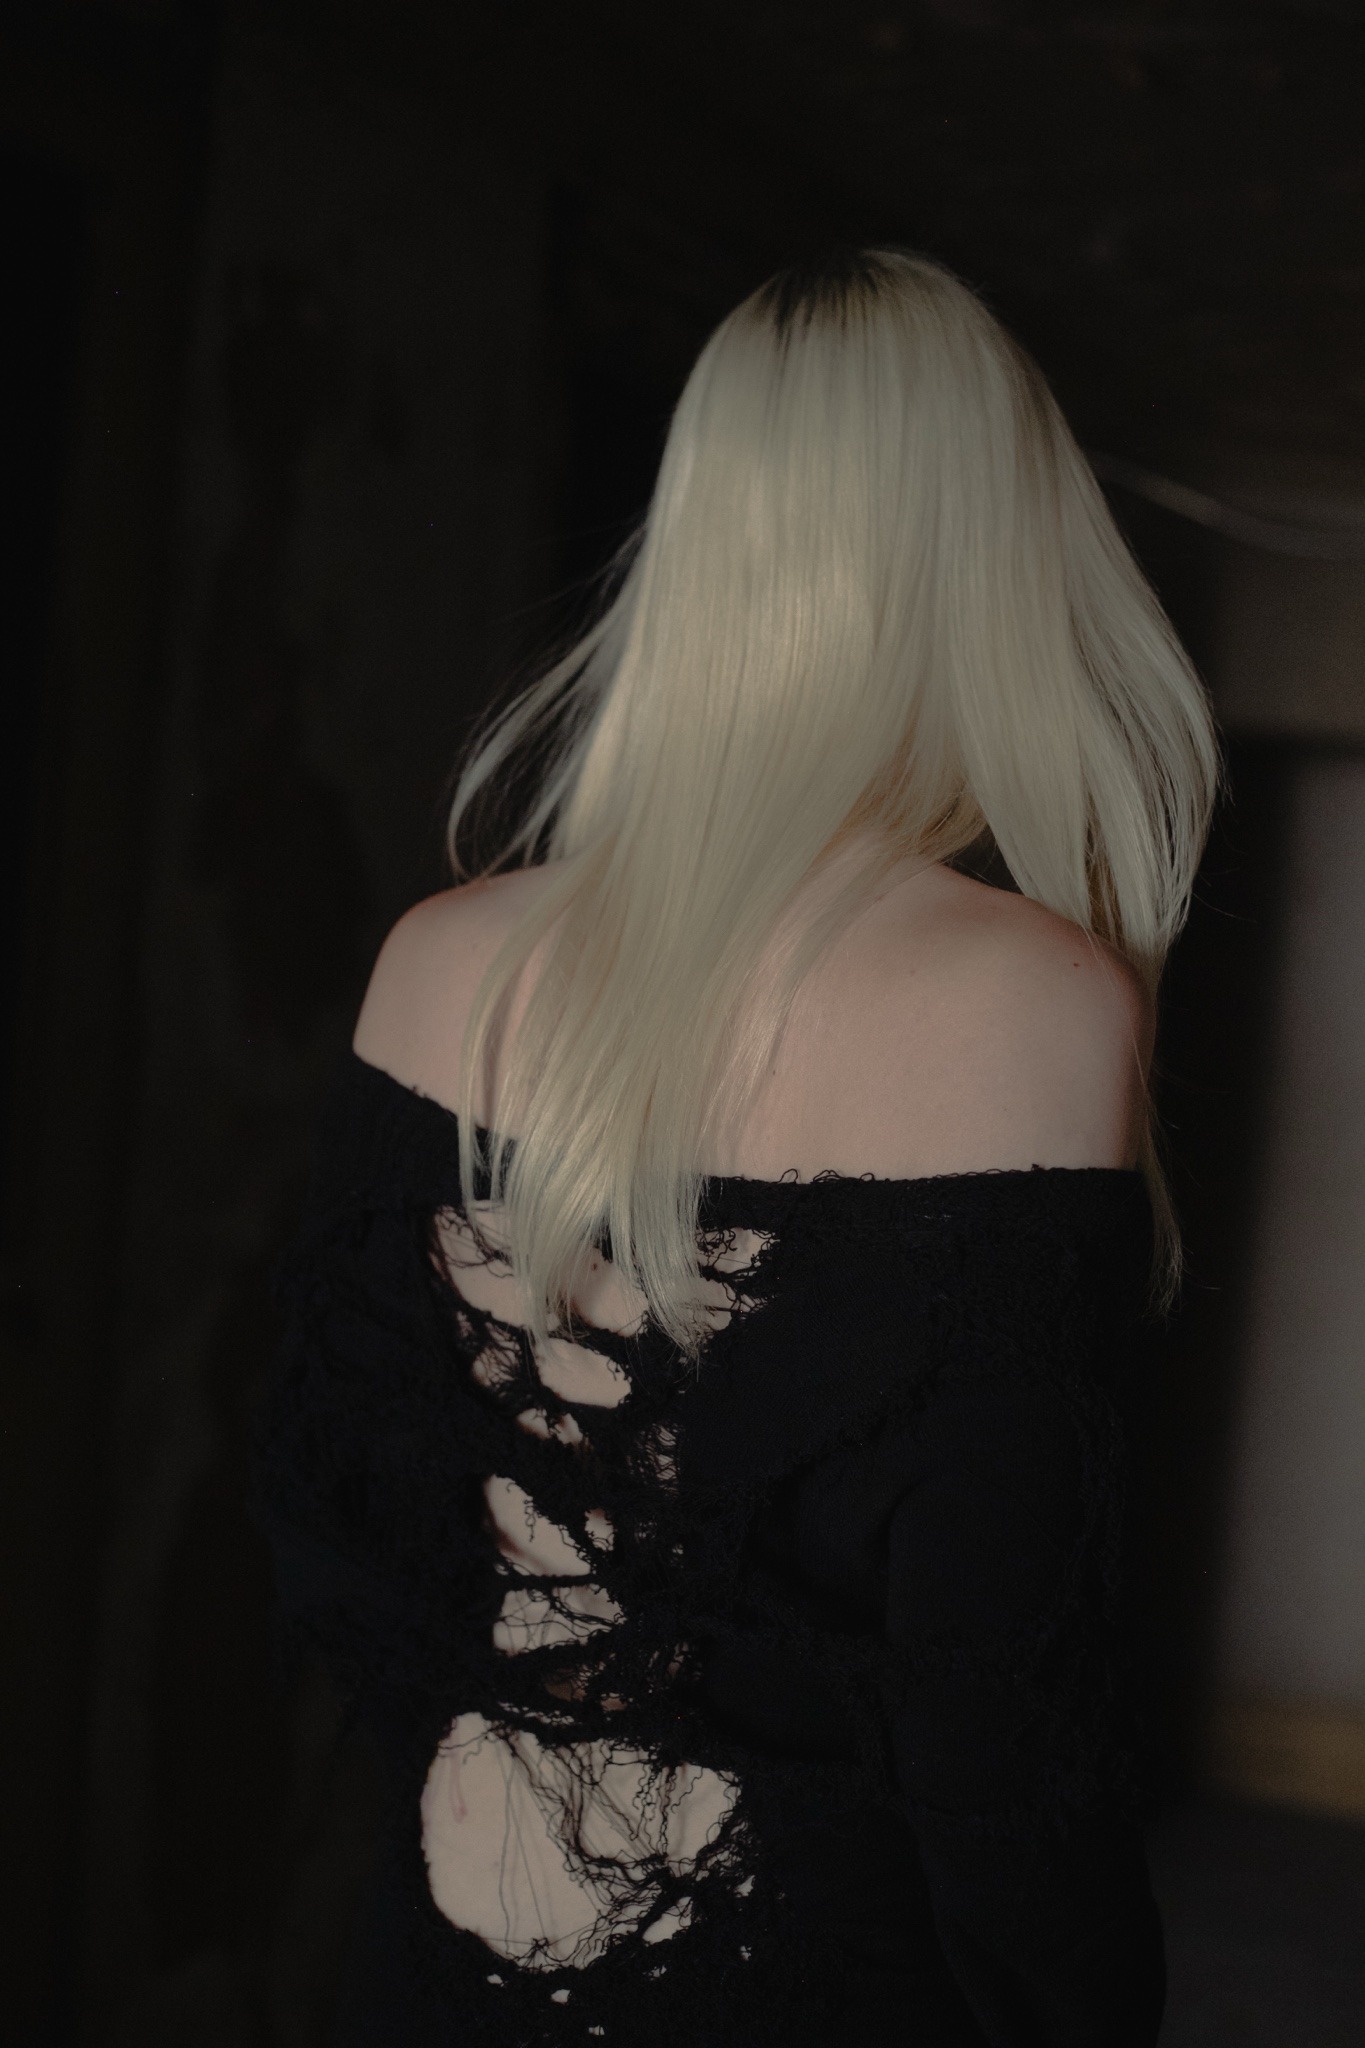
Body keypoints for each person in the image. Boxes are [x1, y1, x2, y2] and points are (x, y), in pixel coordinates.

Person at [254, 246, 1221, 2046]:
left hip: (438, 1923)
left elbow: (347, 1544)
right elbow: (999, 1710)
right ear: (1001, 557)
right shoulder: (1023, 1001)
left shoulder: (438, 960)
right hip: (817, 1977)